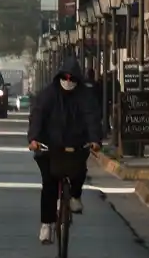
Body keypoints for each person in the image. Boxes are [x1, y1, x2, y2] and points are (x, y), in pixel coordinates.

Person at [27, 57, 102, 245]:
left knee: (80, 171)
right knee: (49, 185)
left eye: (72, 78)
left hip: (76, 144)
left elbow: (92, 117)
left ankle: (75, 195)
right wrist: (34, 139)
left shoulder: (85, 96)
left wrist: (94, 139)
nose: (68, 81)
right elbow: (37, 116)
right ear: (60, 76)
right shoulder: (48, 95)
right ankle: (46, 225)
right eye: (65, 77)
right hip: (50, 146)